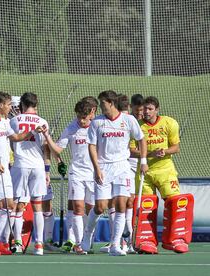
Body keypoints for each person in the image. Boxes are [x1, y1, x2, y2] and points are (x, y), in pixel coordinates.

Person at [81, 90, 148, 256]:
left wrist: (144, 161)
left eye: (102, 103)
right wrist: (96, 168)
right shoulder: (97, 123)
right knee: (101, 206)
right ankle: (87, 234)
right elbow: (91, 146)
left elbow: (141, 139)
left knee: (121, 204)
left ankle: (115, 244)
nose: (100, 107)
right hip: (103, 167)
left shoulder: (128, 120)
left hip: (122, 168)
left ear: (110, 103)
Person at [0, 91, 42, 256]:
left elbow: (17, 137)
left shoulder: (5, 122)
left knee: (9, 205)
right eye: (9, 105)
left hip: (4, 171)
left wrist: (33, 131)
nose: (11, 107)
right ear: (1, 105)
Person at [134, 96, 193, 254]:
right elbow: (131, 151)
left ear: (157, 110)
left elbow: (176, 148)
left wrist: (164, 151)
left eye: (150, 109)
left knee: (175, 202)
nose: (146, 112)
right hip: (145, 172)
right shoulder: (136, 126)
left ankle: (174, 239)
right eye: (144, 109)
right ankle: (147, 240)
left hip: (166, 170)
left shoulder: (169, 123)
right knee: (146, 206)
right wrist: (149, 153)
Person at [42, 98, 97, 255]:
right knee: (78, 208)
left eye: (83, 117)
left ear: (92, 114)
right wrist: (47, 136)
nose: (80, 120)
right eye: (78, 116)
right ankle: (79, 243)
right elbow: (58, 149)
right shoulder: (71, 127)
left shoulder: (98, 126)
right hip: (77, 173)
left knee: (92, 209)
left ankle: (88, 239)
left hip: (94, 173)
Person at [9, 92, 50, 255]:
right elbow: (46, 147)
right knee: (37, 205)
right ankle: (39, 244)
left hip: (20, 165)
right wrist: (47, 170)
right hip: (38, 166)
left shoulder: (13, 120)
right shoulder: (42, 121)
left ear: (21, 105)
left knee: (16, 205)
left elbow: (12, 144)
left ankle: (17, 241)